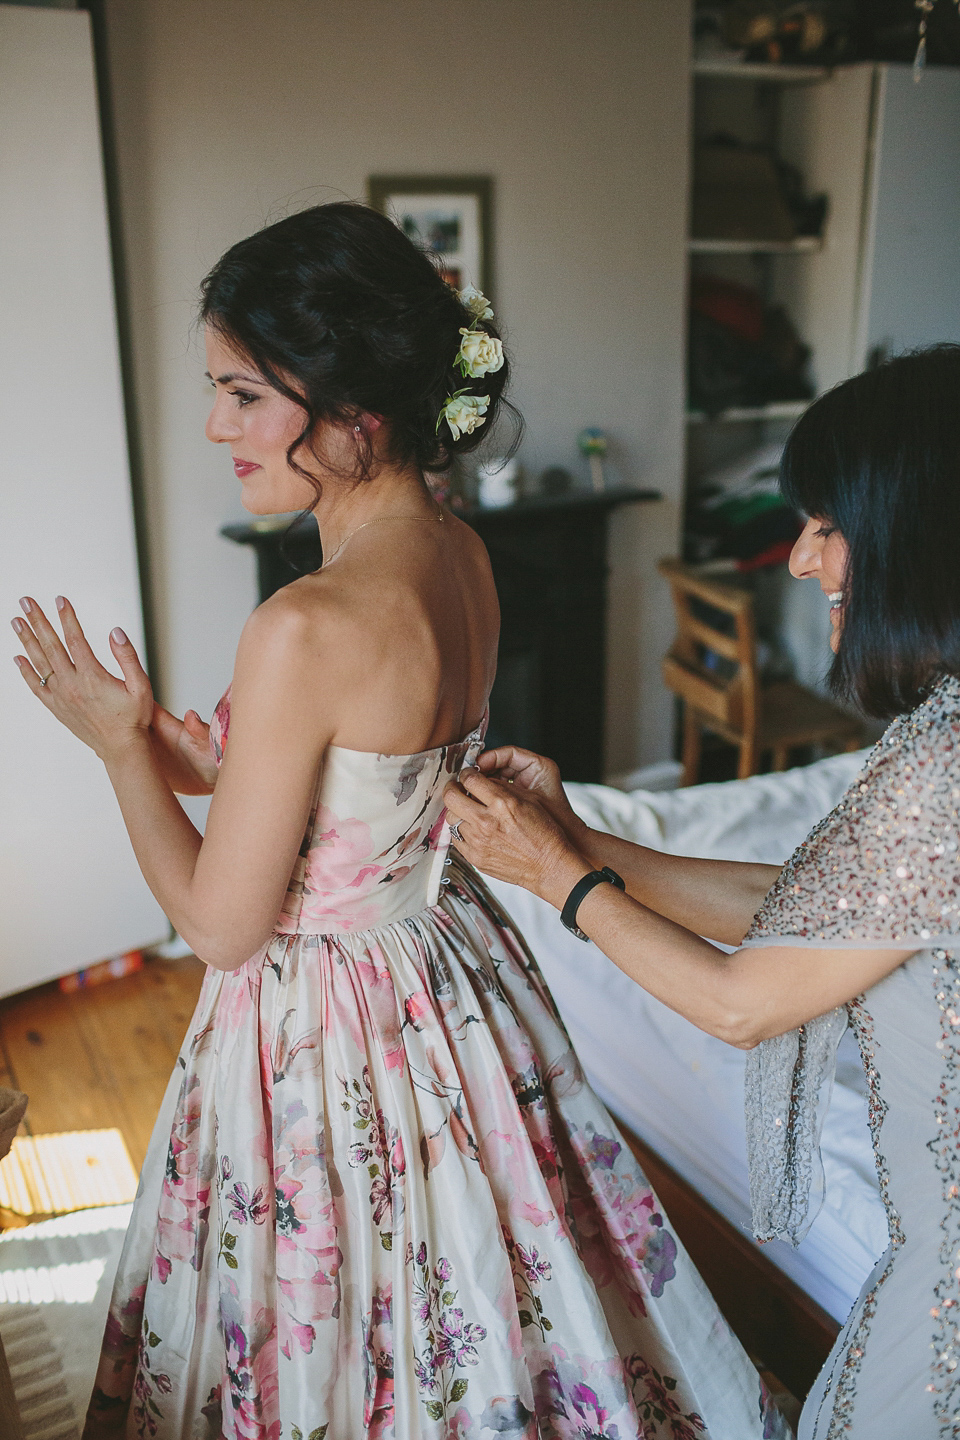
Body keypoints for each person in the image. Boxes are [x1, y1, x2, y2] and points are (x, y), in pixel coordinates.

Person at [11, 203, 785, 1439]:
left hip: (325, 1019)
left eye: (245, 395)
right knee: (484, 1286)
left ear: (353, 409)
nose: (217, 425)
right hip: (446, 966)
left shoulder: (306, 624)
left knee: (344, 1310)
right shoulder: (460, 556)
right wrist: (161, 735)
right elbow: (335, 785)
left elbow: (219, 926)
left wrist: (118, 756)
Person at [444, 344, 960, 1440]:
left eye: (827, 526)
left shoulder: (940, 772)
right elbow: (816, 903)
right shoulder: (942, 745)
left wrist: (561, 880)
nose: (802, 561)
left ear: (913, 539)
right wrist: (584, 836)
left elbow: (743, 1004)